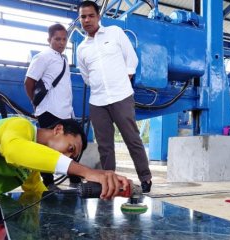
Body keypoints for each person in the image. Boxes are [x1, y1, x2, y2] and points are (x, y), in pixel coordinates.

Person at [0, 117, 130, 240]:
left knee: (17, 222)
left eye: (71, 157)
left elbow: (35, 193)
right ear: (58, 129)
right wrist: (88, 172)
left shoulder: (31, 169)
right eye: (69, 148)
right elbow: (14, 150)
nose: (66, 157)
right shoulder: (22, 127)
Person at [76, 1, 152, 193]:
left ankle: (145, 178)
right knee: (105, 146)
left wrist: (123, 80)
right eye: (83, 17)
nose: (87, 20)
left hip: (121, 96)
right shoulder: (82, 49)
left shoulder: (115, 32)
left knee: (132, 138)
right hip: (98, 102)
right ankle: (109, 182)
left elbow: (131, 59)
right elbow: (86, 76)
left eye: (90, 16)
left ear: (98, 17)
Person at [24, 23, 80, 188]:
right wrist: (35, 105)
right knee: (47, 148)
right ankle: (49, 183)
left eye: (64, 39)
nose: (61, 42)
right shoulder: (43, 57)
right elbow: (29, 82)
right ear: (49, 39)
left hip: (66, 112)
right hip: (49, 111)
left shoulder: (63, 59)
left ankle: (75, 181)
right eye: (57, 39)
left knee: (72, 146)